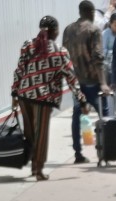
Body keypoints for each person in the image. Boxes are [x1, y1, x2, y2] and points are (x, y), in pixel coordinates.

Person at [12, 16, 94, 181]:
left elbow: (19, 70)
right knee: (41, 135)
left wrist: (14, 93)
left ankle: (35, 167)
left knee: (30, 133)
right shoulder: (60, 51)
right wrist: (82, 100)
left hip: (24, 95)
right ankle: (39, 170)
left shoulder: (28, 45)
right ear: (56, 31)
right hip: (43, 98)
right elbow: (72, 79)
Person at [63, 1, 112, 165]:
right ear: (91, 12)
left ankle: (78, 153)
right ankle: (105, 150)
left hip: (77, 82)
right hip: (93, 81)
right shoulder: (93, 29)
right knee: (104, 117)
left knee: (77, 117)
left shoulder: (68, 30)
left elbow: (65, 57)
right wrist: (103, 82)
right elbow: (98, 57)